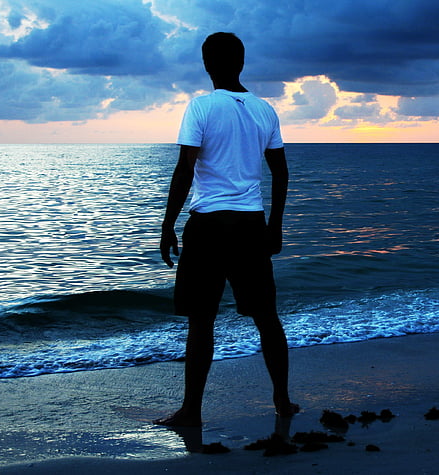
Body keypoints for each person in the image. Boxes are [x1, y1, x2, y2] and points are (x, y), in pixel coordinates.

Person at [156, 32, 297, 427]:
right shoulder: (264, 110)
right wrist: (275, 225)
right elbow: (280, 172)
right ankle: (283, 401)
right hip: (251, 225)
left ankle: (191, 411)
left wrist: (168, 224)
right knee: (266, 316)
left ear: (206, 64)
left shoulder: (200, 108)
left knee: (202, 320)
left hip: (210, 225)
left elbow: (185, 169)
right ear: (242, 63)